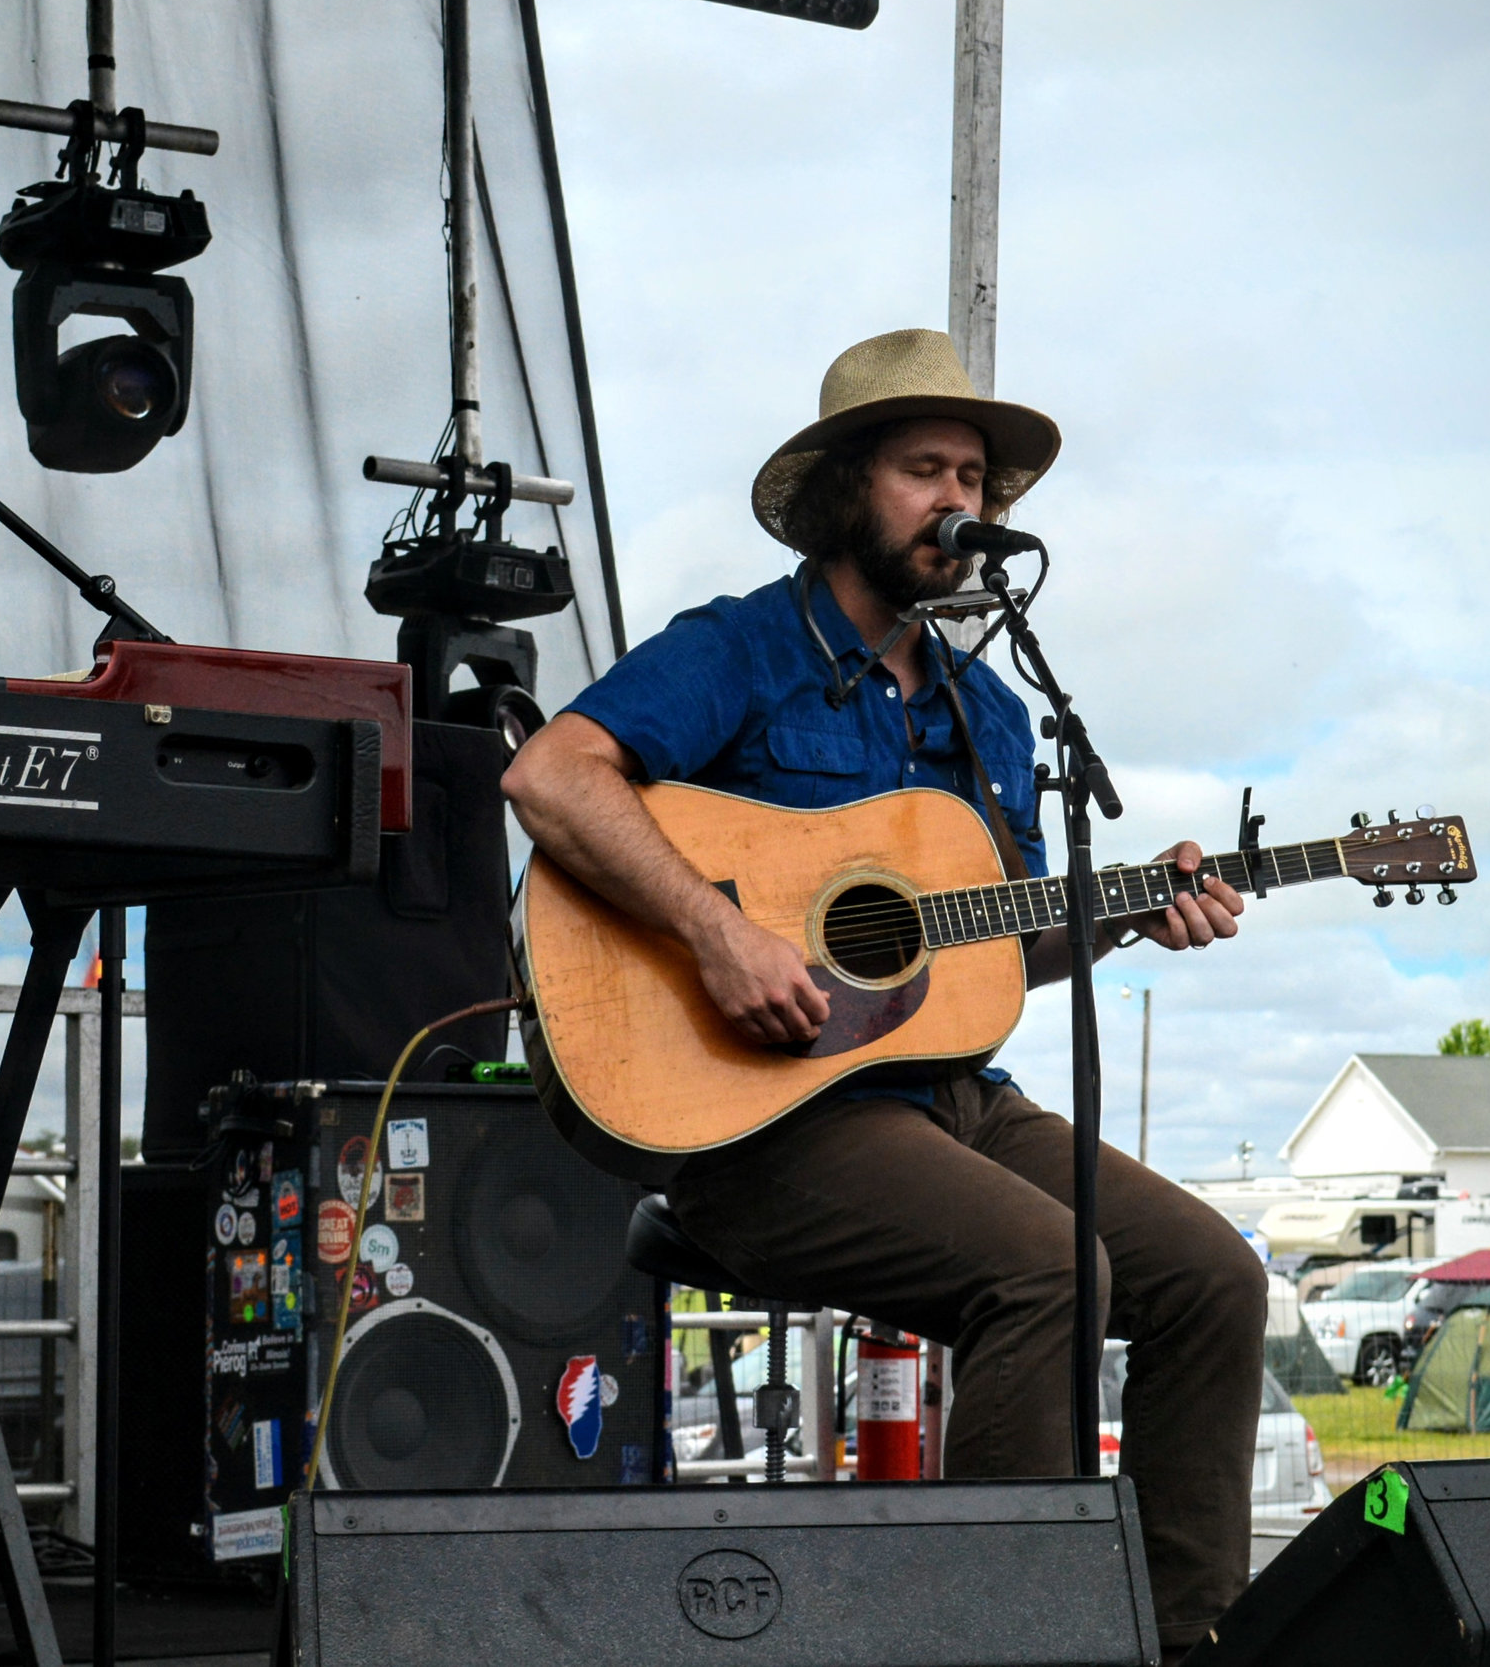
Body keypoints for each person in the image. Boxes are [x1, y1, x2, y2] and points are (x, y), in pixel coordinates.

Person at [502, 329, 1268, 1660]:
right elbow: (553, 776)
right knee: (1049, 1268)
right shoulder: (740, 650)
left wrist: (1130, 911)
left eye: (974, 474)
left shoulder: (993, 713)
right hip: (767, 1123)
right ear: (851, 486)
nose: (957, 499)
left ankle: (1190, 1635)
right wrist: (717, 931)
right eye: (926, 468)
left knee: (1213, 1276)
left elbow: (994, 945)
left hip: (955, 1098)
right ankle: (1016, 1639)